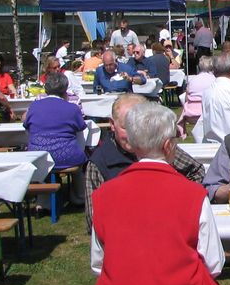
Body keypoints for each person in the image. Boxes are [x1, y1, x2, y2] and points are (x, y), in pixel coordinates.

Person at [88, 101, 230, 285]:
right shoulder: (192, 194)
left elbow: (98, 264)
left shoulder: (104, 195)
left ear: (132, 142)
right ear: (169, 146)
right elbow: (214, 264)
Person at [84, 94, 205, 234]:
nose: (132, 134)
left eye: (140, 127)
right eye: (126, 127)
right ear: (112, 124)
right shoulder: (100, 163)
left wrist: (181, 204)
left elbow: (196, 171)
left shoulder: (160, 147)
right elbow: (94, 221)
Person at [23, 72, 88, 170]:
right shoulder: (73, 108)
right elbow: (81, 128)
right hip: (68, 156)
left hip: (38, 157)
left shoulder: (34, 106)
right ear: (65, 89)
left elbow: (26, 125)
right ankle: (79, 179)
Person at [177, 56, 215, 138]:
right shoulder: (214, 80)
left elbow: (186, 98)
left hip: (190, 113)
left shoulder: (192, 80)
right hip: (207, 114)